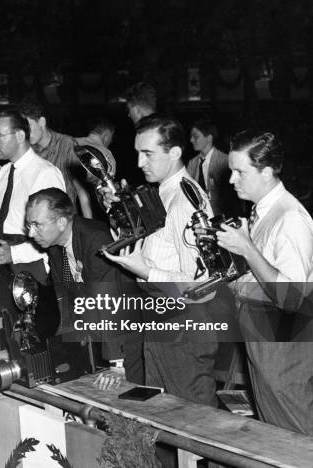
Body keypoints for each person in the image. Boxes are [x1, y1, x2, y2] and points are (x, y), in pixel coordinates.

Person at [101, 115, 218, 406]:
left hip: (184, 322)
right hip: (161, 313)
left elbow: (200, 284)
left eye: (148, 154)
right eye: (138, 153)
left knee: (191, 419)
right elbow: (147, 243)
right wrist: (116, 213)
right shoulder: (162, 193)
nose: (140, 163)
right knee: (161, 411)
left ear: (175, 152)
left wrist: (146, 271)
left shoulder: (185, 201)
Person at [216, 130, 313, 435]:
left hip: (284, 354)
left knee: (296, 443)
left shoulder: (290, 218)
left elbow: (291, 297)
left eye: (239, 172)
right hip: (264, 345)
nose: (232, 180)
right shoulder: (262, 212)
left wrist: (246, 248)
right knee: (274, 440)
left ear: (267, 172)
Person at [26, 188, 144, 384]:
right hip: (97, 331)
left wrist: (117, 364)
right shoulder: (56, 248)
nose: (31, 233)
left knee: (131, 395)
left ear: (62, 222)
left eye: (37, 225)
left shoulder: (95, 238)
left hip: (127, 330)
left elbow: (109, 303)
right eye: (29, 225)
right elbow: (66, 301)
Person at [0, 110, 65, 277]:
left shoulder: (45, 173)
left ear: (20, 136)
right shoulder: (5, 171)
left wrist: (14, 254)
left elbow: (54, 232)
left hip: (31, 266)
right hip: (0, 263)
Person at [19, 101, 93, 218]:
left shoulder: (67, 144)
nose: (26, 133)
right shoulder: (28, 151)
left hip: (64, 221)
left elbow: (82, 190)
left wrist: (89, 226)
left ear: (42, 122)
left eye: (29, 126)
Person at [187, 117, 242, 218]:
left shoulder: (225, 161)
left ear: (209, 138)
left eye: (195, 136)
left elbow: (232, 200)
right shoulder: (192, 163)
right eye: (191, 136)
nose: (191, 140)